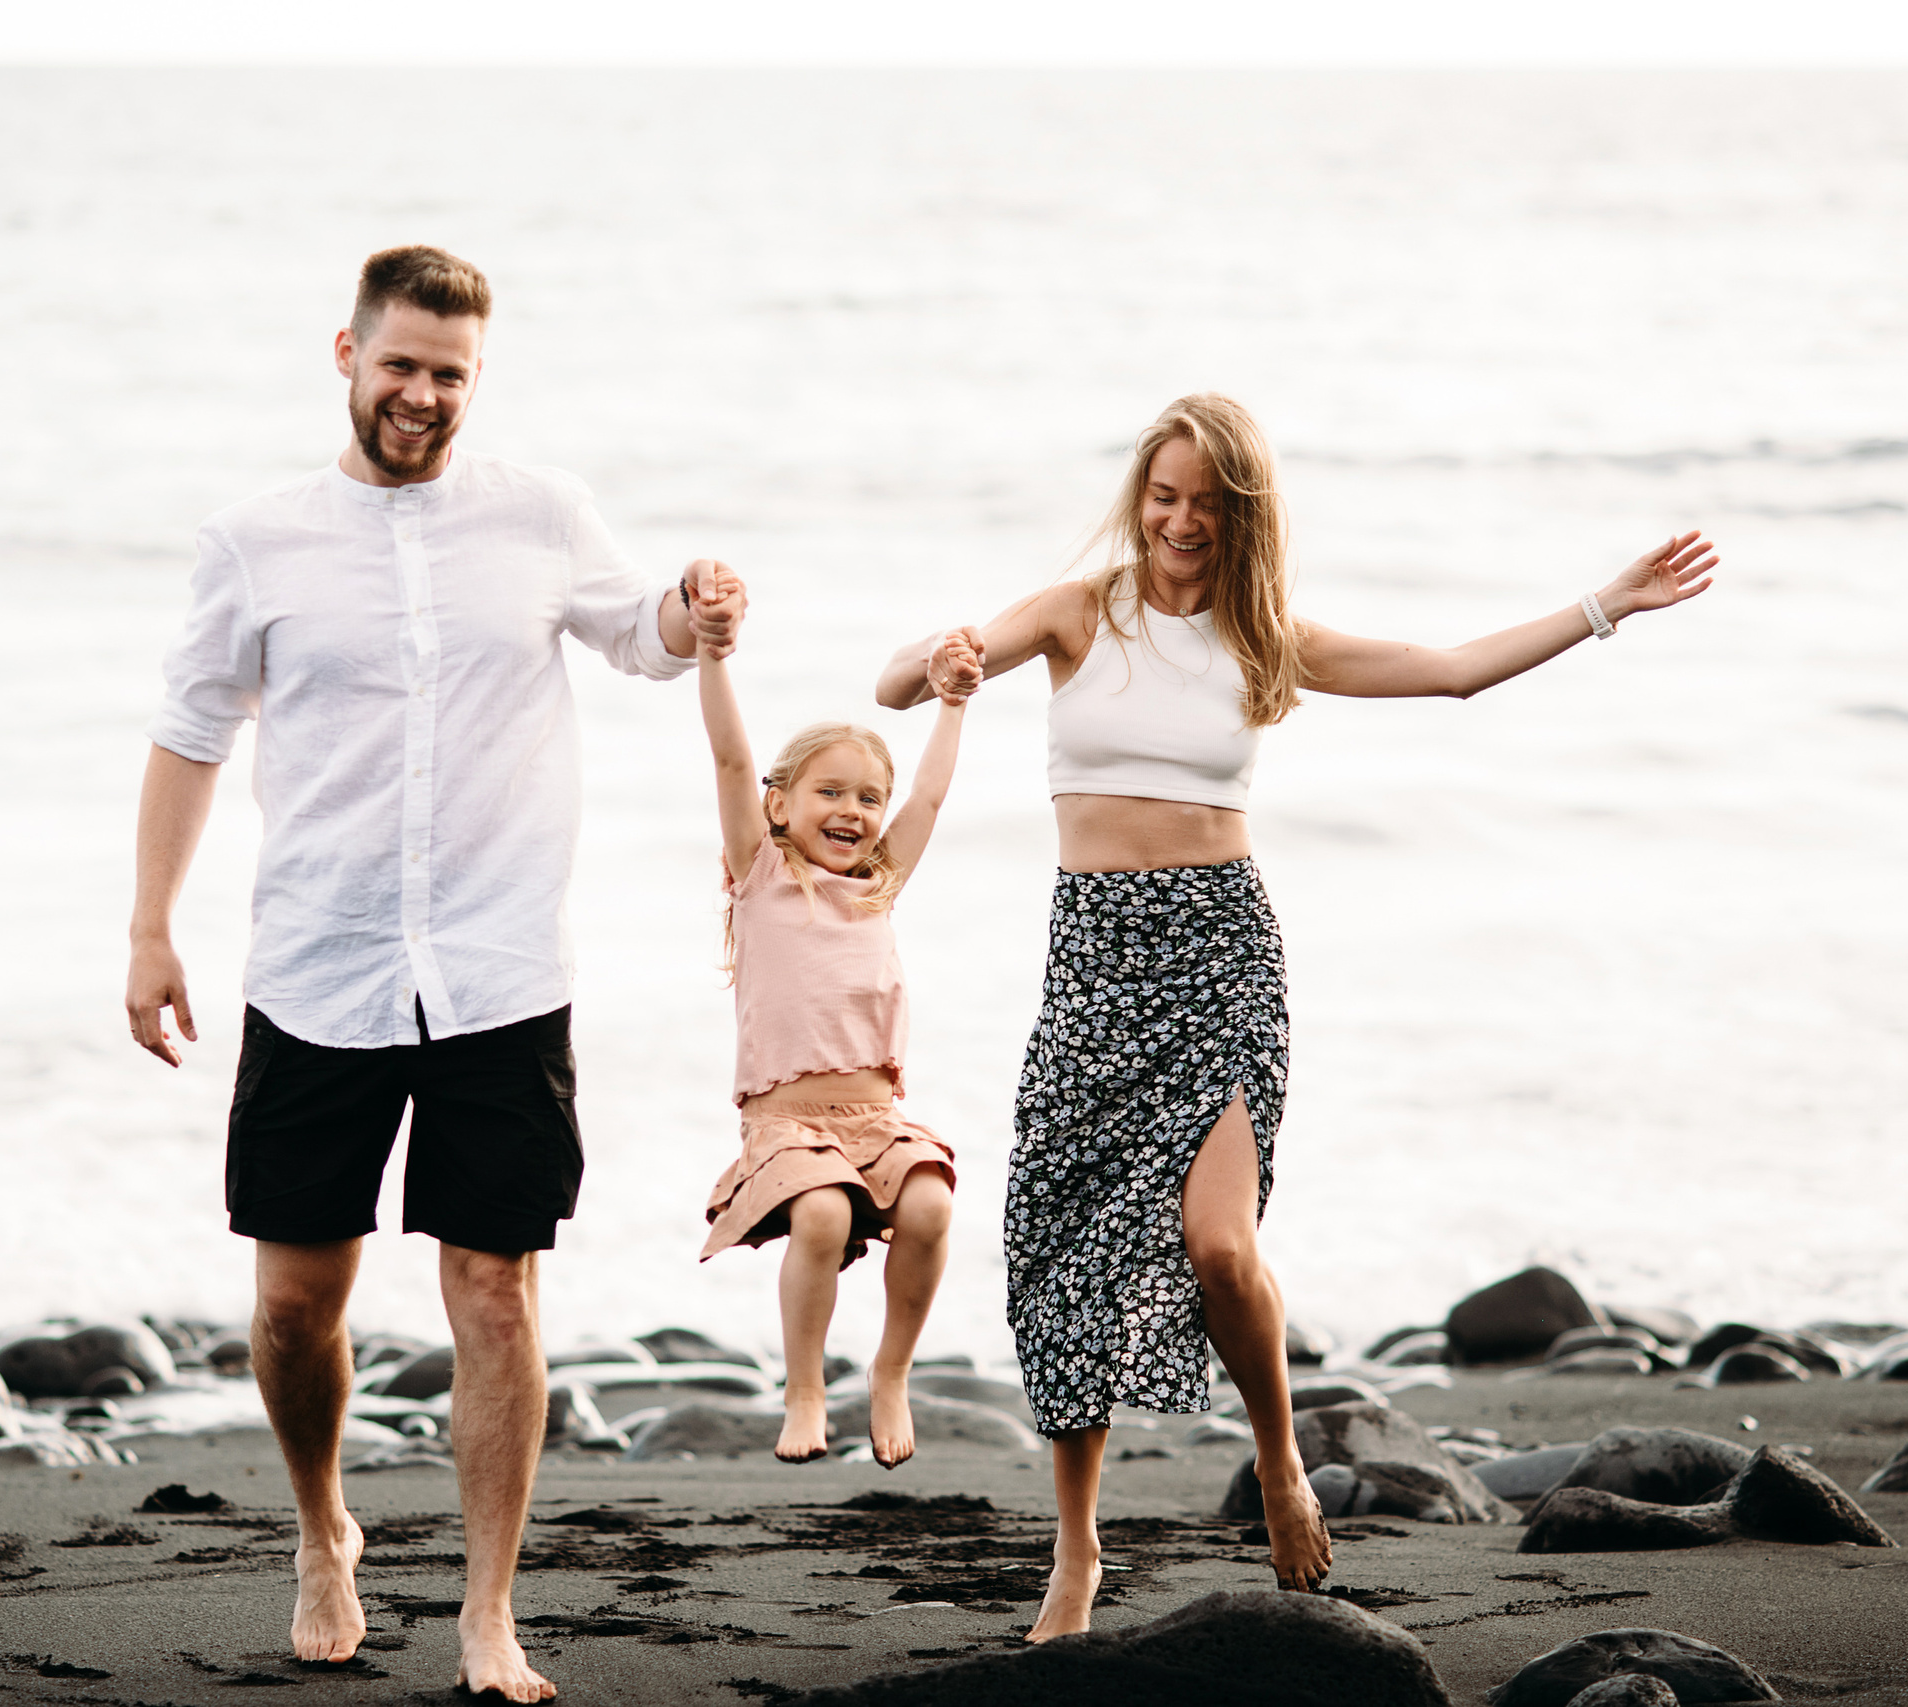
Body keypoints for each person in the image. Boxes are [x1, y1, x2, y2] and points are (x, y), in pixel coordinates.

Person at [875, 392, 1716, 1638]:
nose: (1179, 522)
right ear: (1137, 497)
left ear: (1239, 517)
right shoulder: (1073, 613)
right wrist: (933, 663)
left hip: (1221, 951)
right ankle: (1076, 1551)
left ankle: (1276, 1461)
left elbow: (1448, 675)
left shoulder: (1262, 636)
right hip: (1094, 960)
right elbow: (899, 685)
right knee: (1059, 1254)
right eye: (1163, 497)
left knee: (1218, 1248)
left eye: (1206, 506)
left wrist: (1608, 605)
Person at [125, 243, 744, 1702]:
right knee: (294, 1303)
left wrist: (692, 601)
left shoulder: (541, 516)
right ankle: (323, 1527)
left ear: (480, 378)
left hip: (500, 965)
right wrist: (151, 925)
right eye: (399, 363)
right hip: (319, 963)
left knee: (496, 1288)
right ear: (343, 354)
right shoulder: (256, 540)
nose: (422, 394)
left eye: (450, 373)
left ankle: (486, 1611)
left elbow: (639, 640)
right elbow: (192, 729)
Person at [692, 589, 974, 1468]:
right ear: (780, 805)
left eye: (867, 797)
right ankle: (805, 1387)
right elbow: (734, 760)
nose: (853, 810)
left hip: (876, 1118)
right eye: (830, 792)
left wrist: (953, 704)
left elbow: (927, 799)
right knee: (819, 1215)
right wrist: (712, 654)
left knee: (930, 1202)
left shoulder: (881, 883)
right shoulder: (763, 875)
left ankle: (889, 1374)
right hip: (788, 1122)